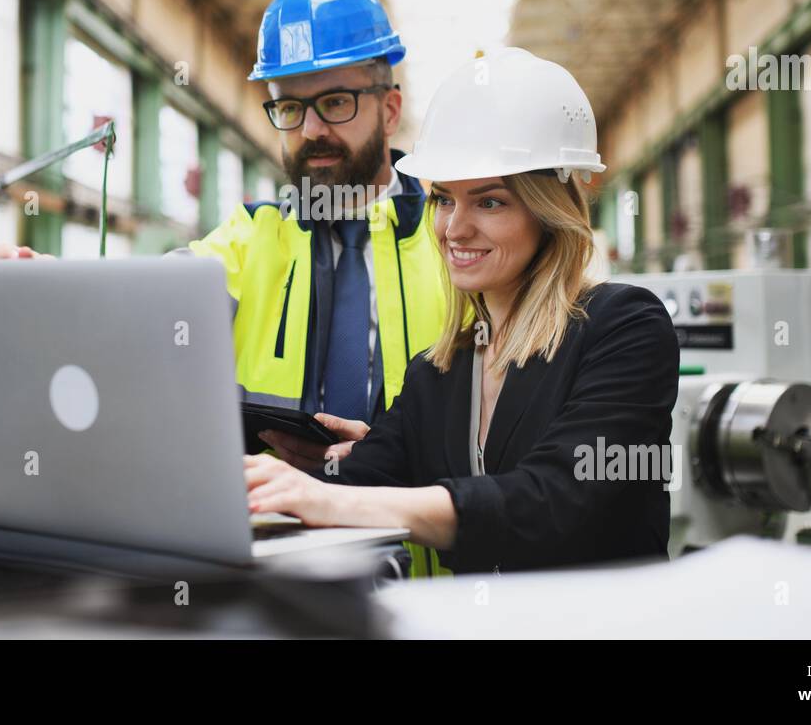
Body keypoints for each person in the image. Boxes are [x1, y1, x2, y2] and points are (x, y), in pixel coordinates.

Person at [0, 0, 451, 574]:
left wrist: (396, 460)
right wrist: (60, 295)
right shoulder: (250, 237)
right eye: (290, 106)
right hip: (278, 574)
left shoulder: (455, 239)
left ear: (389, 109)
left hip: (428, 581)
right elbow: (149, 303)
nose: (312, 130)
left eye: (335, 102)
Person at [243, 48, 680, 574]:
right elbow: (360, 481)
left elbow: (555, 499)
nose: (454, 228)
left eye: (490, 202)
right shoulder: (439, 371)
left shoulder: (622, 327)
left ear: (550, 212)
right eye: (445, 199)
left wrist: (340, 501)